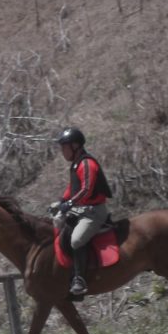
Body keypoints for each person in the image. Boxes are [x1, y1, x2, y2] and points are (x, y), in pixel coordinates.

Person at [54, 127, 113, 298]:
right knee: (56, 222)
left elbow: (86, 189)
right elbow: (73, 187)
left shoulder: (87, 164)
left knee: (76, 240)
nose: (62, 151)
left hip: (93, 212)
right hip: (81, 209)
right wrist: (61, 201)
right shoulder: (76, 164)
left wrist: (69, 203)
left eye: (64, 147)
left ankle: (79, 279)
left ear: (75, 146)